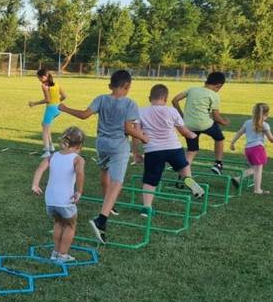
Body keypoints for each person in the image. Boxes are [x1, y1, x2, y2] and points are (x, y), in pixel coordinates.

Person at [60, 69, 148, 244]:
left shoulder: (101, 98)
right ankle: (102, 219)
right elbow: (128, 129)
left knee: (105, 171)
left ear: (110, 85)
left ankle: (109, 203)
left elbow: (85, 115)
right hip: (118, 146)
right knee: (117, 182)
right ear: (127, 86)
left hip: (101, 144)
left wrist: (65, 108)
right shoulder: (130, 104)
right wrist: (144, 138)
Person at [131, 84, 206, 216]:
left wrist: (136, 153)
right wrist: (191, 135)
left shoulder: (140, 111)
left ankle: (146, 208)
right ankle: (190, 182)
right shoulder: (172, 111)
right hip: (174, 148)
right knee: (183, 166)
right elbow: (184, 131)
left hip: (153, 150)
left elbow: (136, 134)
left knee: (150, 180)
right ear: (165, 99)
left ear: (150, 98)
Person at [30, 127, 85, 263]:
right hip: (65, 199)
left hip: (50, 199)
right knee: (70, 225)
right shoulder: (78, 159)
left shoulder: (53, 156)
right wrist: (79, 191)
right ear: (80, 145)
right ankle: (62, 255)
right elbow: (80, 174)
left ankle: (55, 252)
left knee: (58, 222)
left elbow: (40, 169)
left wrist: (35, 185)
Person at [172, 72, 229, 173]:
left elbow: (175, 100)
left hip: (188, 125)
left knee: (192, 150)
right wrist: (224, 122)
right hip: (204, 124)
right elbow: (216, 117)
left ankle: (183, 175)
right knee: (219, 138)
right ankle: (218, 164)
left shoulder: (192, 89)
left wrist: (181, 116)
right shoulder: (214, 95)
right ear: (219, 85)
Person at [230, 102, 273, 194]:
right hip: (258, 149)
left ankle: (237, 179)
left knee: (254, 169)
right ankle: (257, 189)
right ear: (266, 114)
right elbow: (271, 139)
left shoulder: (247, 122)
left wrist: (232, 142)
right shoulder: (264, 125)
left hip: (248, 149)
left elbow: (239, 133)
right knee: (258, 170)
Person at [28, 68, 66, 157]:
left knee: (44, 130)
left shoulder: (44, 86)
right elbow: (64, 96)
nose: (39, 80)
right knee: (46, 126)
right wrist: (57, 102)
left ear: (45, 77)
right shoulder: (57, 84)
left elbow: (47, 100)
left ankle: (47, 152)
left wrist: (34, 103)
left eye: (40, 78)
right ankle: (51, 147)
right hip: (57, 109)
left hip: (51, 109)